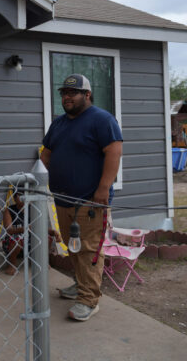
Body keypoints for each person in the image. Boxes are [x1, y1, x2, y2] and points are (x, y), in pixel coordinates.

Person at [40, 73, 123, 322]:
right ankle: (80, 285)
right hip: (62, 200)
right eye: (64, 93)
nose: (66, 97)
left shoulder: (102, 120)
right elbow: (46, 154)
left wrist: (103, 189)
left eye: (72, 93)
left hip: (90, 202)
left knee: (88, 250)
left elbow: (114, 152)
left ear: (87, 95)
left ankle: (89, 300)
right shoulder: (59, 123)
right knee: (72, 246)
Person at [1, 189, 62, 275]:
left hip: (31, 241)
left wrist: (52, 232)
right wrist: (24, 228)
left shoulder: (33, 209)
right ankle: (11, 264)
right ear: (14, 198)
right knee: (16, 240)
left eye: (27, 195)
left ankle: (43, 261)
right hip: (14, 242)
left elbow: (40, 227)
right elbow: (9, 230)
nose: (24, 198)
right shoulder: (9, 210)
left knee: (46, 238)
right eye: (20, 195)